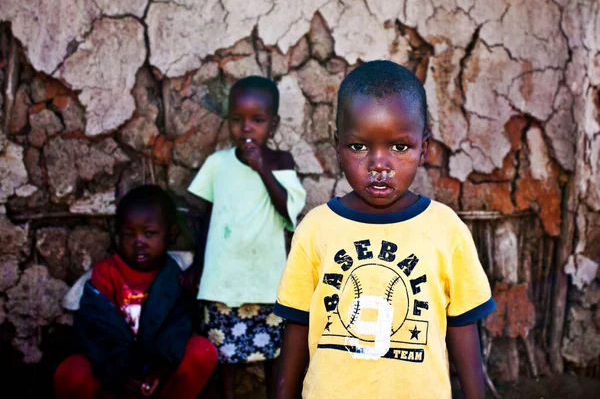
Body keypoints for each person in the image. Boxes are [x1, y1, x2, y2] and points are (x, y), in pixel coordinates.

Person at [274, 61, 496, 399]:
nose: (379, 164)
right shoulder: (316, 228)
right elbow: (297, 324)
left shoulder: (446, 228)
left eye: (399, 146)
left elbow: (463, 325)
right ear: (337, 146)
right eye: (359, 147)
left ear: (424, 148)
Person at [181, 76, 306, 399]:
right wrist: (198, 266)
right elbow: (208, 216)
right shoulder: (218, 164)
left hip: (267, 283)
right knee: (226, 359)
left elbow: (289, 214)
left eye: (257, 120)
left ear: (273, 124)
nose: (246, 128)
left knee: (273, 358)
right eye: (237, 120)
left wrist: (262, 167)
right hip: (224, 282)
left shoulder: (281, 163)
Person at [54, 185, 218, 399]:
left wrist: (162, 369)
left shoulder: (175, 276)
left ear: (171, 234)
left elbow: (178, 329)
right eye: (129, 234)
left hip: (158, 378)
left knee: (201, 351)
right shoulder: (105, 275)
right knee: (72, 372)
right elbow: (95, 333)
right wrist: (117, 374)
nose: (139, 243)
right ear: (117, 236)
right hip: (113, 377)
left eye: (149, 234)